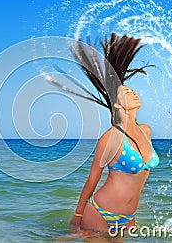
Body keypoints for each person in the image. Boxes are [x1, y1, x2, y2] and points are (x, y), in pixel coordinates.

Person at [48, 33, 159, 234]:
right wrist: (78, 215)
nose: (133, 93)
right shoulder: (111, 137)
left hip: (128, 217)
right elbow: (93, 178)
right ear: (117, 105)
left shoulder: (146, 131)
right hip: (100, 212)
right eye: (126, 93)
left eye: (132, 90)